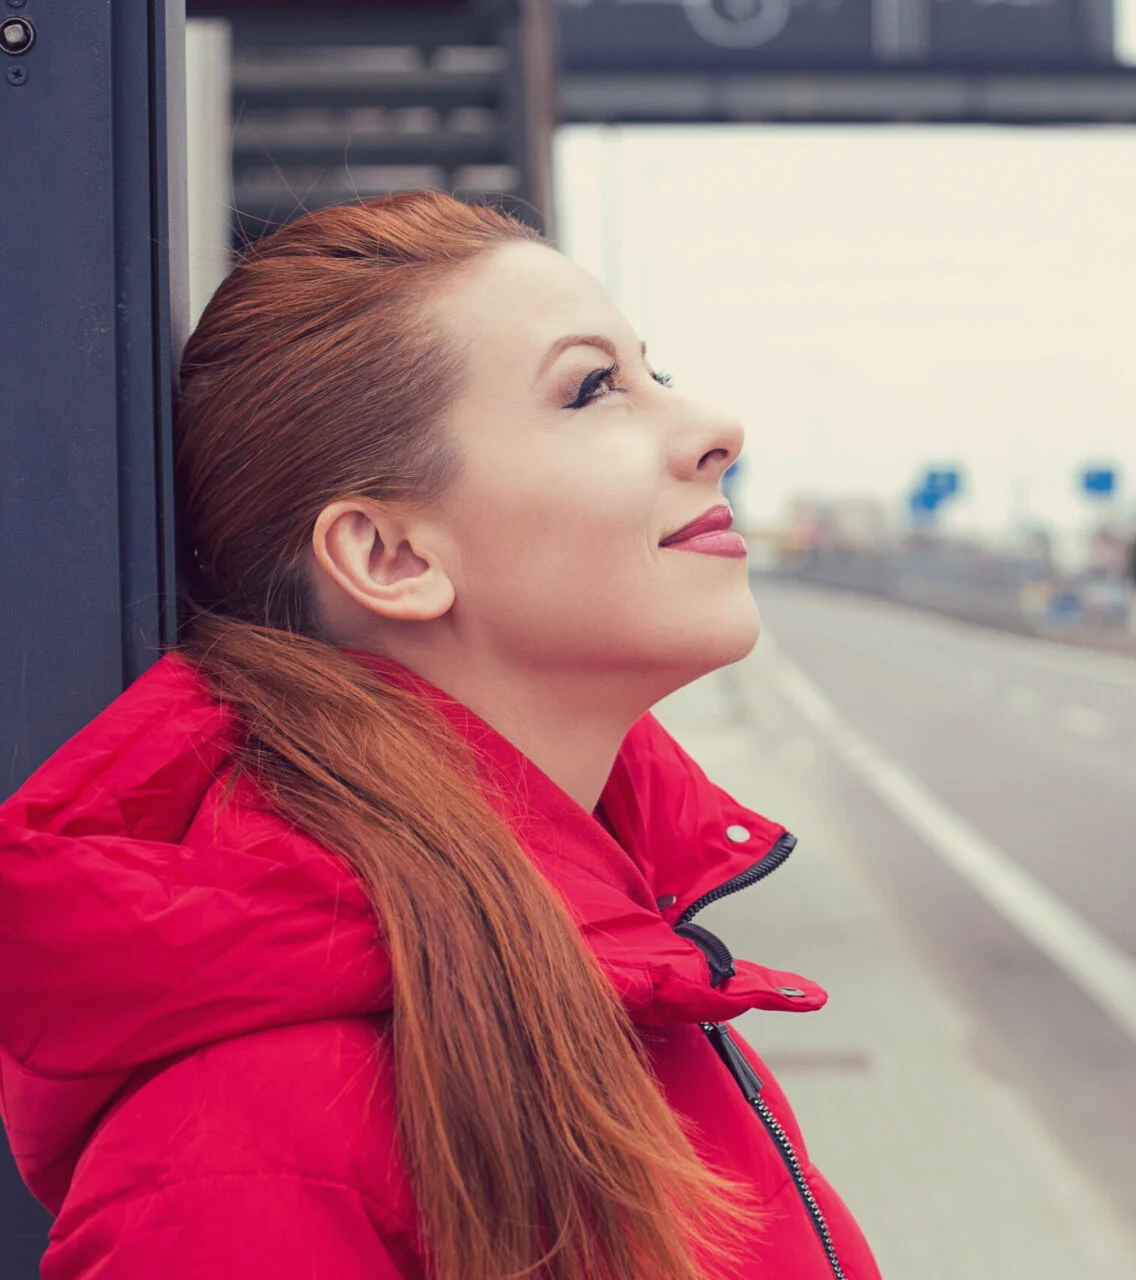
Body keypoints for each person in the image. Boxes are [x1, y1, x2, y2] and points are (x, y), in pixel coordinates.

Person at [0, 191, 880, 1280]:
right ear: (390, 556)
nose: (714, 430)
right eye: (593, 388)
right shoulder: (244, 1151)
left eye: (654, 370)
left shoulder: (605, 958)